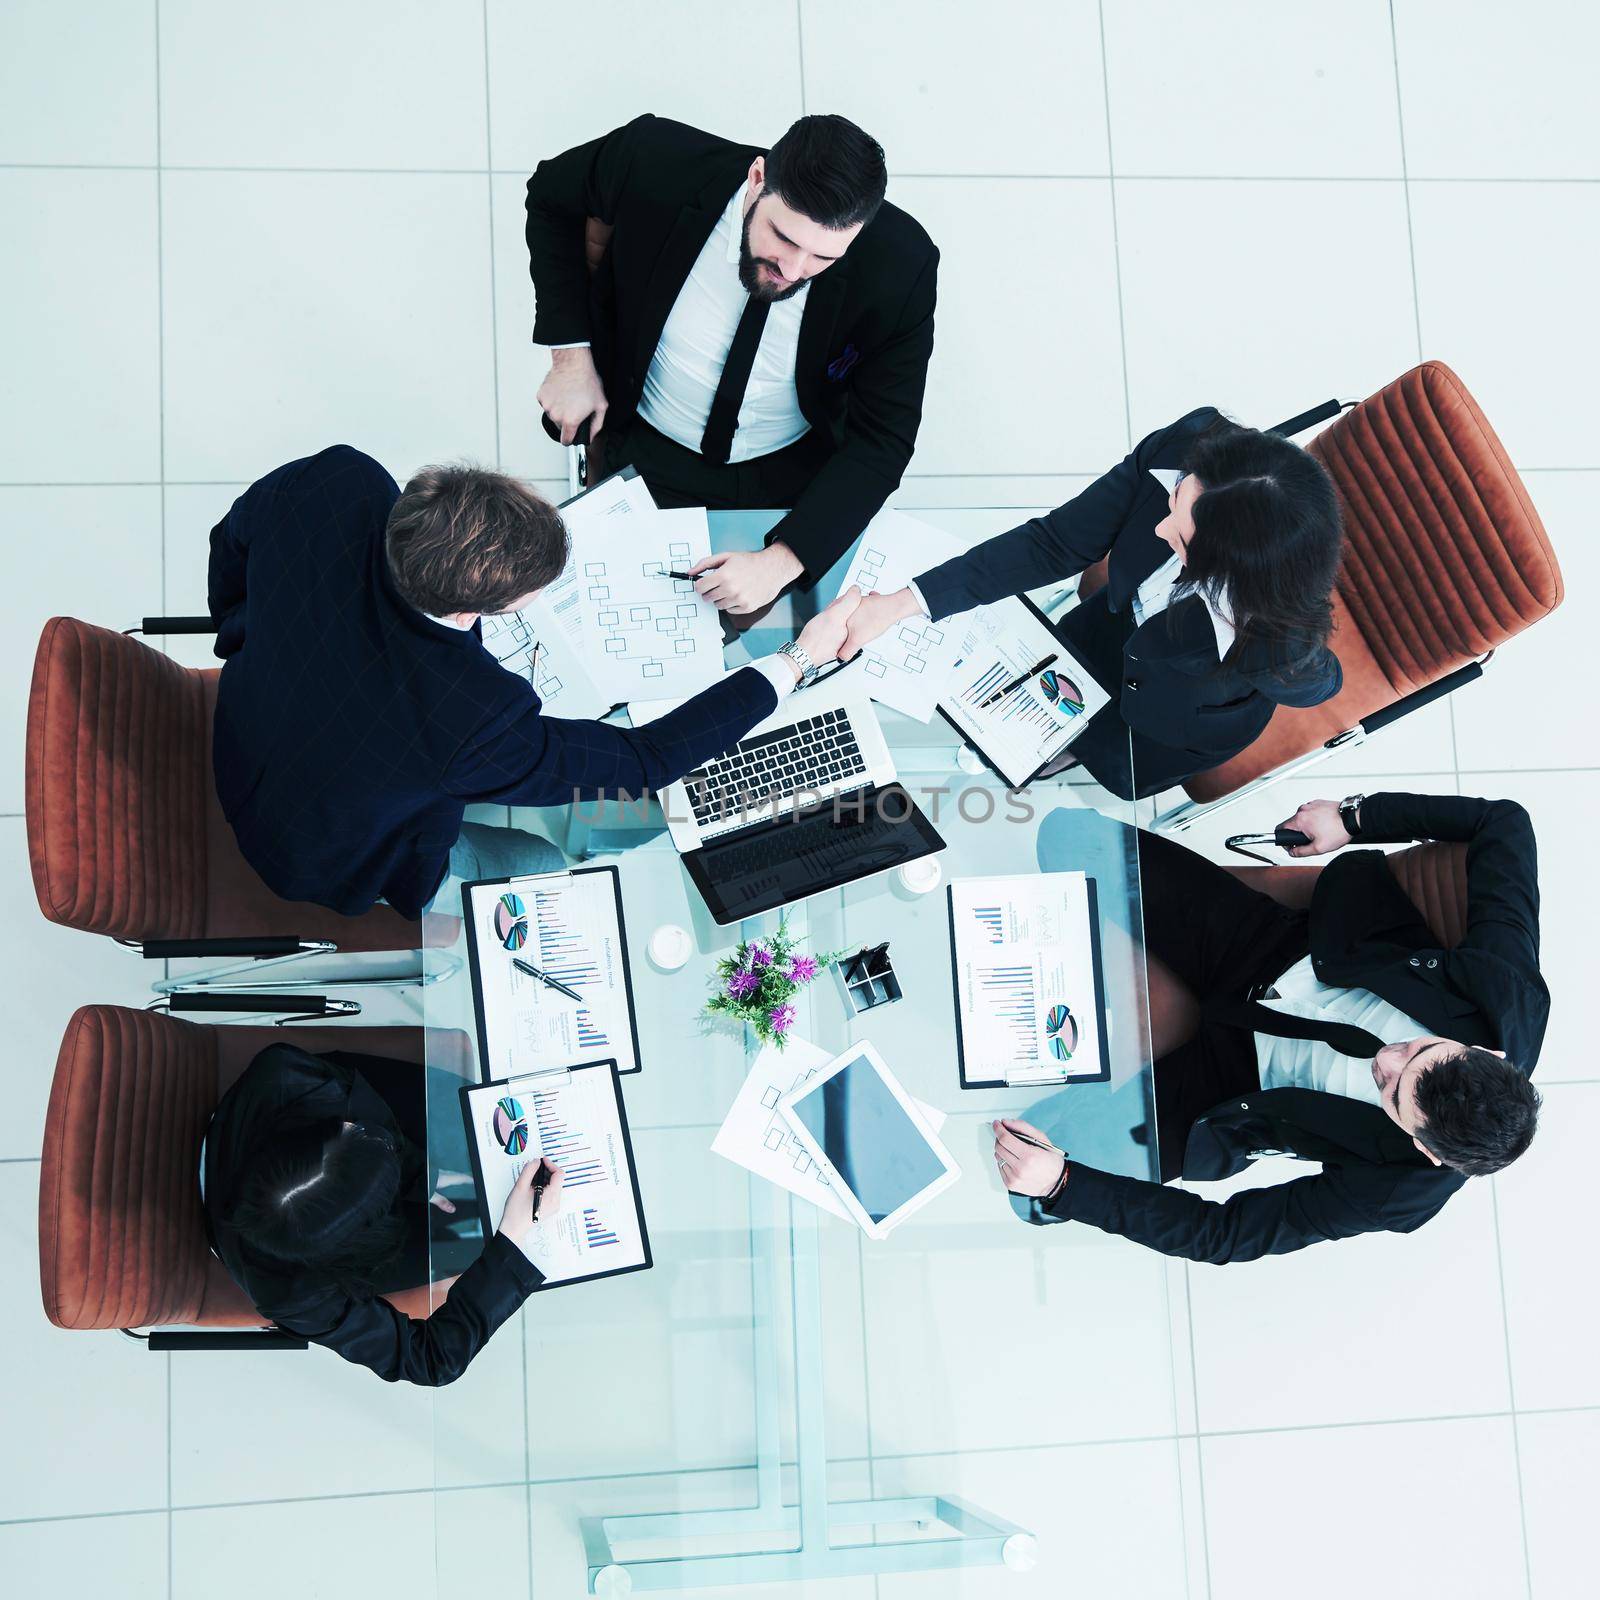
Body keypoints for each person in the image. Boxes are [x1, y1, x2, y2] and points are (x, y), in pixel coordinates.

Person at [208, 445, 861, 918]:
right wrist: (796, 661)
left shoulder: (339, 481)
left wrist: (248, 639)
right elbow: (646, 761)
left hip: (242, 732)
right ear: (481, 613)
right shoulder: (473, 719)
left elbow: (228, 544)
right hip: (309, 853)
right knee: (545, 870)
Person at [993, 791, 1546, 1261]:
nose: (1386, 1060)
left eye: (1393, 1091)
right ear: (1483, 1051)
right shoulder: (1506, 996)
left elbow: (1224, 1234)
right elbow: (1504, 822)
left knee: (1036, 1170)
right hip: (1267, 953)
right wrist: (1356, 818)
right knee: (1067, 836)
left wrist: (1063, 1186)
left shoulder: (1399, 1191)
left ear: (1427, 1151)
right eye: (1416, 1049)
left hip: (1239, 1088)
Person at [526, 112, 938, 619]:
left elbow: (884, 439)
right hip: (645, 431)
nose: (793, 271)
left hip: (784, 467)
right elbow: (551, 197)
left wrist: (782, 561)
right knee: (613, 613)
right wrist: (570, 356)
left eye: (822, 259)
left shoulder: (903, 264)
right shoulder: (654, 157)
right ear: (758, 179)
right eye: (783, 238)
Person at [840, 410, 1345, 798]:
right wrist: (906, 602)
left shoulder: (1279, 639)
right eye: (1175, 502)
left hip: (1169, 715)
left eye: (1183, 541)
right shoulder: (1186, 447)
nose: (1160, 529)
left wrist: (1266, 645)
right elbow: (1054, 544)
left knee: (1100, 751)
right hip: (1112, 626)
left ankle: (1069, 753)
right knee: (1053, 678)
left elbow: (1322, 681)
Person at [203, 1041, 556, 1384]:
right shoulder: (296, 1295)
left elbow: (369, 1126)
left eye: (352, 1131)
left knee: (468, 1112)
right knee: (464, 1249)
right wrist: (512, 1239)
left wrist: (425, 1175)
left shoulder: (286, 1073)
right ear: (367, 1230)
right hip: (309, 1249)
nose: (360, 1128)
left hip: (280, 1117)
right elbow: (431, 1361)